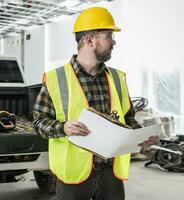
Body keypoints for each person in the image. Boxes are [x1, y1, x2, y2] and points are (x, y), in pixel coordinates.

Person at [33, 6, 157, 200]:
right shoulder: (56, 79)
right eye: (108, 35)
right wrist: (63, 127)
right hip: (74, 175)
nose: (114, 41)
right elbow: (39, 122)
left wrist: (140, 138)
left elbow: (128, 119)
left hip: (110, 174)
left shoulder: (117, 78)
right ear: (89, 40)